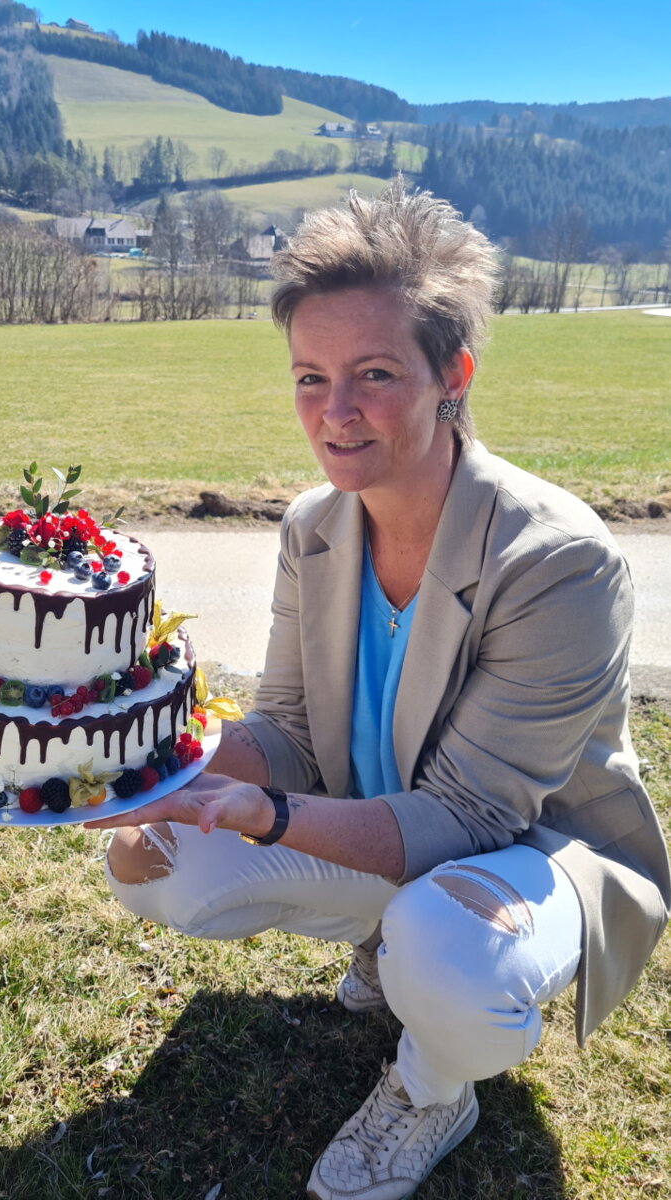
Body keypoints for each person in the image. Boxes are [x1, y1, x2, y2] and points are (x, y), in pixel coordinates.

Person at [85, 181, 671, 1200]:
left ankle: (431, 1085)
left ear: (453, 376)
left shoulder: (557, 560)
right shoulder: (312, 526)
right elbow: (287, 729)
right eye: (310, 377)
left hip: (530, 852)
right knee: (156, 865)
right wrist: (141, 764)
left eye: (373, 374)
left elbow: (471, 813)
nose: (334, 412)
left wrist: (265, 815)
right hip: (373, 814)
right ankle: (382, 937)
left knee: (450, 960)